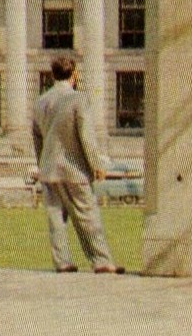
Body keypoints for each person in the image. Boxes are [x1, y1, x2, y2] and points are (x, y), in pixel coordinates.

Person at [32, 56, 123, 274]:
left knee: (56, 219)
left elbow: (36, 137)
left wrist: (42, 164)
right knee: (88, 214)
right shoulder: (78, 99)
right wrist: (96, 164)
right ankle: (101, 261)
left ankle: (62, 262)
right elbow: (86, 135)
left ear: (53, 75)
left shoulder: (40, 102)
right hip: (74, 170)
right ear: (74, 74)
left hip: (49, 169)